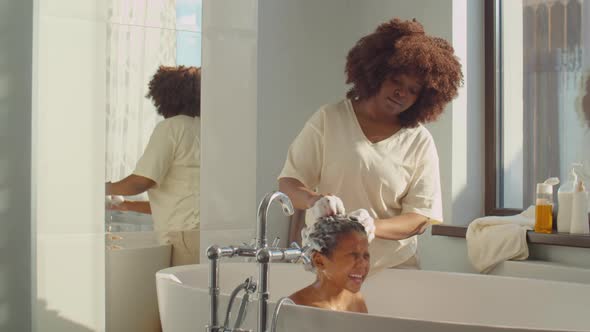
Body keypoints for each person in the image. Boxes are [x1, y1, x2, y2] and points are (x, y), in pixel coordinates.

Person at [278, 18, 463, 272]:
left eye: (413, 90)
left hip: (394, 270)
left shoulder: (419, 141)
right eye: (396, 80)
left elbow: (419, 218)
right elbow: (289, 183)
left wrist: (371, 226)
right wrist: (313, 200)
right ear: (377, 72)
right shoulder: (329, 119)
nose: (402, 93)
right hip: (331, 266)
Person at [106, 65, 201, 266]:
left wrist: (102, 188)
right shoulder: (201, 128)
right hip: (201, 234)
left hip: (183, 237)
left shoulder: (171, 128)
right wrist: (126, 205)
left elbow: (141, 182)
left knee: (178, 297)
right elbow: (179, 200)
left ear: (165, 96)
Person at [289, 215, 370, 313]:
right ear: (320, 261)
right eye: (353, 255)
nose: (363, 264)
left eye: (366, 256)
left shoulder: (356, 300)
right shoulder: (297, 307)